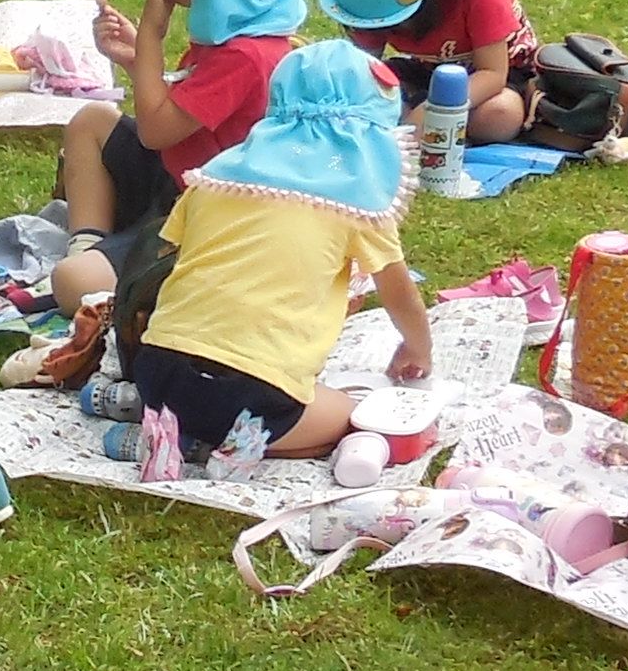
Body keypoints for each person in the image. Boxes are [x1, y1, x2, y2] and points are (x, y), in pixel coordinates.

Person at [97, 38, 433, 466]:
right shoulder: (356, 203)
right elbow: (400, 293)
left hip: (157, 367)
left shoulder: (220, 177)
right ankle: (200, 447)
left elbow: (175, 251)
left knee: (203, 395)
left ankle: (146, 411)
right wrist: (417, 348)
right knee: (352, 418)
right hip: (254, 393)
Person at [46, 0, 305, 322]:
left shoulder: (245, 56)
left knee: (73, 285)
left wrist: (151, 35)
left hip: (206, 218)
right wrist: (135, 60)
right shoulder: (244, 36)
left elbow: (155, 130)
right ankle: (89, 242)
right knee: (91, 122)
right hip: (180, 175)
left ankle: (114, 277)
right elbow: (192, 108)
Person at [319, 0, 532, 145]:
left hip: (491, 78)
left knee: (501, 115)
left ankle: (433, 127)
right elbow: (366, 67)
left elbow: (493, 74)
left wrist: (435, 110)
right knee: (362, 96)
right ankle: (423, 125)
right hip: (425, 71)